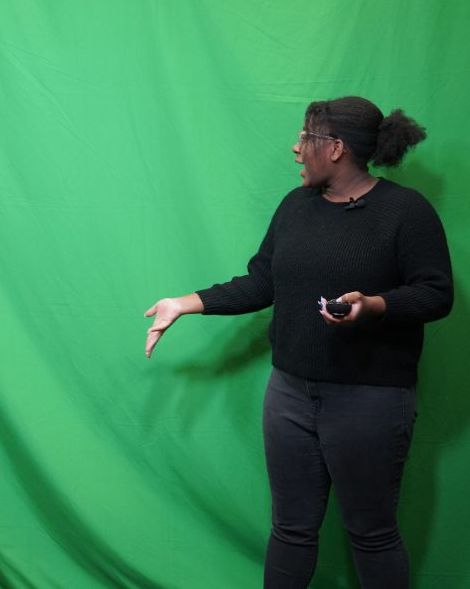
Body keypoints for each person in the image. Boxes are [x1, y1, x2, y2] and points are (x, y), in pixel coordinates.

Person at [143, 96, 453, 589]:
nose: (294, 148)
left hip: (370, 400)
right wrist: (184, 302)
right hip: (289, 396)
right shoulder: (295, 206)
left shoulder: (405, 211)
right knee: (290, 531)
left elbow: (436, 294)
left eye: (304, 138)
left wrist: (372, 306)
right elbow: (263, 281)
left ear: (335, 148)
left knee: (371, 534)